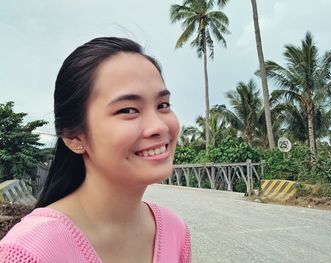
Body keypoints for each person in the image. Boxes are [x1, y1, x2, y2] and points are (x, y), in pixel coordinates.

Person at [0, 37, 192, 263]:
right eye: (129, 109)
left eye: (163, 105)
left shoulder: (174, 231)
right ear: (73, 136)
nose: (159, 126)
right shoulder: (28, 253)